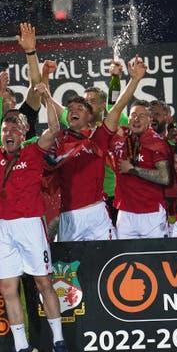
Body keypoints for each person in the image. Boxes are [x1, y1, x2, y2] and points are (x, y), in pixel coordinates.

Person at [0, 82, 72, 352]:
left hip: (30, 226)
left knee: (43, 283)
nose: (8, 133)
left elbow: (54, 128)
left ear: (23, 134)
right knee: (7, 288)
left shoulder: (34, 151)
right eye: (4, 130)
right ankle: (22, 347)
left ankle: (59, 342)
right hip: (6, 229)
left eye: (14, 130)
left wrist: (48, 96)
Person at [48, 62, 142, 241]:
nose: (76, 110)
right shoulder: (66, 134)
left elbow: (117, 104)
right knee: (70, 266)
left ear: (96, 110)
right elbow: (52, 107)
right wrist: (44, 88)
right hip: (70, 214)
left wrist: (128, 79)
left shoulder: (102, 133)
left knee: (108, 261)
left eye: (87, 104)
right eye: (72, 109)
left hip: (105, 204)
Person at [103, 71, 172, 239]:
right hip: (125, 214)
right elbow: (114, 108)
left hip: (152, 213)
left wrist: (133, 169)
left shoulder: (156, 142)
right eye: (133, 115)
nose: (136, 119)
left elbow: (165, 178)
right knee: (126, 262)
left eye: (142, 116)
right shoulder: (121, 137)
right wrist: (115, 78)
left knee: (155, 260)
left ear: (150, 120)